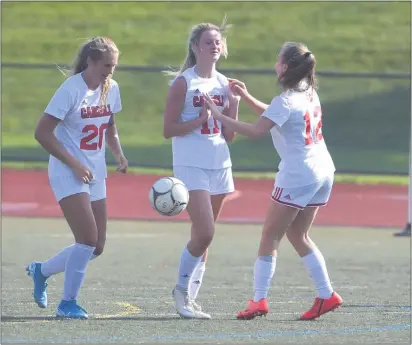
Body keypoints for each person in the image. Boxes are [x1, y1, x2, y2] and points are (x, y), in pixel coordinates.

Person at [203, 41, 343, 320]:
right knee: (297, 234)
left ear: (286, 66)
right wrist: (248, 96)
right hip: (323, 169)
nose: (275, 64)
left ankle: (259, 300)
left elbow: (256, 131)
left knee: (270, 235)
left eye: (278, 60)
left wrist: (219, 116)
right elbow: (276, 116)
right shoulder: (308, 92)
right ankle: (326, 295)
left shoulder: (286, 100)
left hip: (298, 173)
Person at [26, 36, 128, 319]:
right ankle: (67, 304)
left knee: (97, 246)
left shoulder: (111, 87)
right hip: (67, 170)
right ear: (90, 62)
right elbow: (42, 132)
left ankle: (41, 271)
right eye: (106, 65)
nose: (111, 70)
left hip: (95, 171)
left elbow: (109, 124)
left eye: (114, 66)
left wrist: (118, 153)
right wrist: (73, 164)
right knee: (86, 239)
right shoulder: (71, 89)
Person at [163, 17, 239, 319]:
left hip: (219, 162)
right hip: (191, 162)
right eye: (209, 41)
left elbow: (229, 135)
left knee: (205, 234)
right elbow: (168, 129)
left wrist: (232, 105)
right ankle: (180, 292)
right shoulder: (183, 82)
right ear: (195, 47)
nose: (215, 45)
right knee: (205, 231)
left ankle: (191, 298)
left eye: (218, 41)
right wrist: (202, 118)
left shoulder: (223, 83)